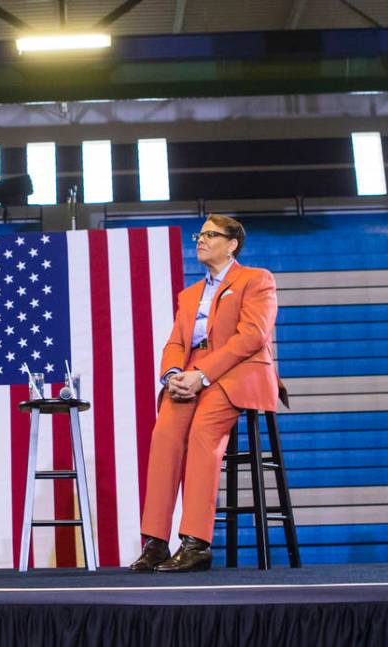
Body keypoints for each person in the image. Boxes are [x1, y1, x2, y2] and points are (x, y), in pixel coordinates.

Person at [130, 214, 287, 573]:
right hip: (192, 374)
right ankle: (155, 541)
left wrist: (202, 375)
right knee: (165, 433)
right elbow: (176, 342)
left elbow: (252, 337)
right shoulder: (189, 295)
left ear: (232, 244)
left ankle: (196, 542)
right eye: (199, 235)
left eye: (210, 235)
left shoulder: (255, 279)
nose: (200, 240)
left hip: (237, 371)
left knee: (203, 432)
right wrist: (172, 375)